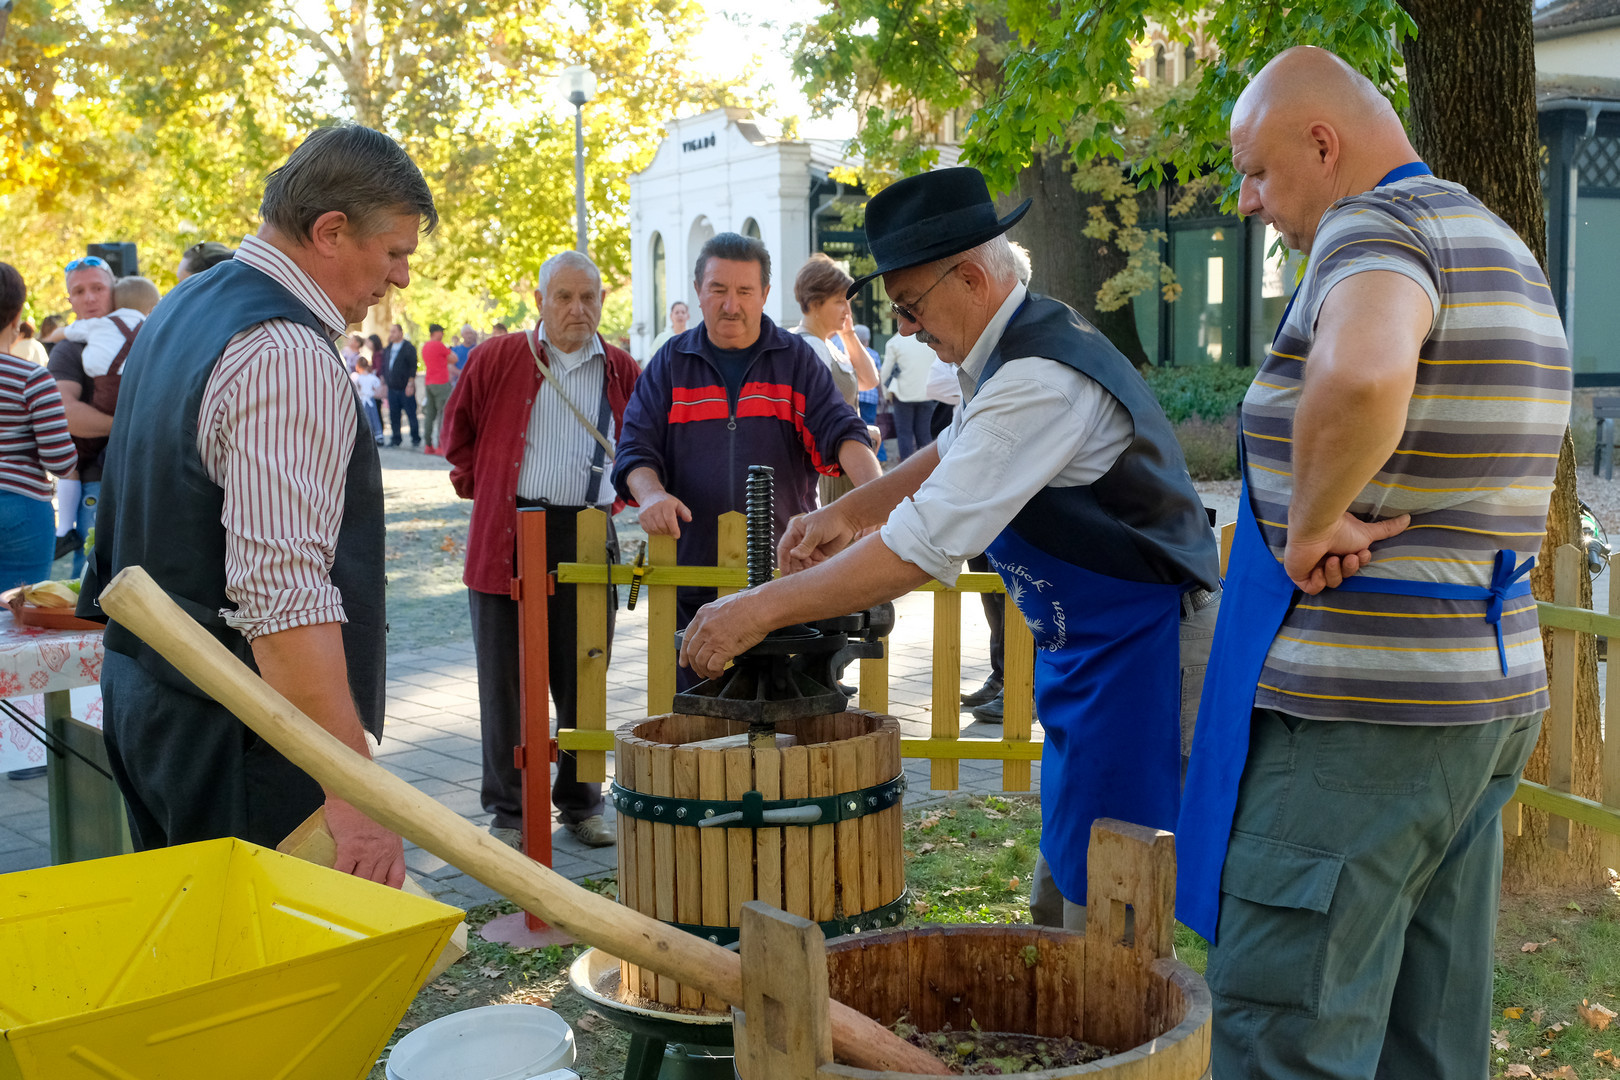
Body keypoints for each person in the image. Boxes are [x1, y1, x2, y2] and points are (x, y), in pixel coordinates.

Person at [1169, 48, 1573, 1080]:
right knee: (1424, 1041)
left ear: (1323, 144)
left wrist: (1309, 526)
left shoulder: (1377, 228)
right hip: (1478, 700)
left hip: (1362, 720)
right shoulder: (1496, 241)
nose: (1249, 202)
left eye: (1257, 172)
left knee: (1287, 1042)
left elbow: (1361, 372)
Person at [678, 168, 1219, 930]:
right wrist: (848, 513)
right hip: (1089, 656)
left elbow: (920, 546)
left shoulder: (1039, 379)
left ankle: (1118, 1003)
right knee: (1070, 872)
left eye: (910, 305)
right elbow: (953, 449)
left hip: (1146, 653)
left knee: (1115, 905)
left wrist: (758, 610)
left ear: (969, 278)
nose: (904, 328)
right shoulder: (1010, 353)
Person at [77, 123, 439, 887]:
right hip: (241, 731)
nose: (401, 277)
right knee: (274, 955)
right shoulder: (286, 352)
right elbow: (283, 601)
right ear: (331, 231)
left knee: (198, 939)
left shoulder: (186, 301)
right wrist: (355, 790)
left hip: (148, 697)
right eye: (394, 251)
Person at [442, 250, 640, 850]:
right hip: (507, 531)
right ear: (540, 302)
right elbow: (458, 439)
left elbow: (641, 449)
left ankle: (582, 803)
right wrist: (494, 492)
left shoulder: (622, 369)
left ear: (602, 302)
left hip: (586, 533)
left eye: (589, 297)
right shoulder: (497, 357)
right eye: (565, 297)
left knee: (585, 674)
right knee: (503, 679)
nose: (578, 309)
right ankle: (508, 811)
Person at [612, 232, 881, 657]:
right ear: (698, 290)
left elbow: (843, 431)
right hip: (689, 578)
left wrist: (875, 500)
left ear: (765, 295)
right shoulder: (670, 363)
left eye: (744, 291)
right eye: (718, 289)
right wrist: (651, 494)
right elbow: (634, 447)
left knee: (785, 697)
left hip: (784, 579)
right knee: (693, 696)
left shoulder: (795, 360)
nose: (731, 305)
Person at [0, 262, 76, 591]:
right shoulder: (32, 379)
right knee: (16, 612)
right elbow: (60, 462)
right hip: (21, 507)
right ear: (18, 315)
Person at [47, 255, 119, 573]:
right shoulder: (69, 349)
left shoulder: (144, 333)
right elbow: (65, 413)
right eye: (79, 291)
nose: (89, 298)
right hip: (97, 480)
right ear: (70, 301)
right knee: (93, 576)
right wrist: (130, 426)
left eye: (97, 288)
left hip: (152, 476)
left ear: (115, 289)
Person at [62, 276, 161, 425]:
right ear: (152, 308)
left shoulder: (98, 324)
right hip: (144, 391)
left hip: (107, 392)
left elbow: (66, 332)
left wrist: (50, 336)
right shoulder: (152, 327)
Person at [880, 321, 938, 461]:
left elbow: (885, 373)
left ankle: (906, 468)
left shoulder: (894, 342)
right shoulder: (929, 339)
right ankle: (927, 468)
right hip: (926, 393)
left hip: (902, 394)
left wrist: (886, 393)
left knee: (904, 434)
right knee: (924, 434)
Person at [382, 322, 419, 447]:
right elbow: (385, 365)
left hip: (405, 387)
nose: (391, 334)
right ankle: (396, 439)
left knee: (411, 413)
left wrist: (410, 384)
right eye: (391, 332)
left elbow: (413, 367)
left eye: (394, 331)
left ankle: (415, 438)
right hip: (392, 387)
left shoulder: (408, 347)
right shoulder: (388, 348)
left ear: (400, 333)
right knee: (394, 414)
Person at [419, 323, 453, 454]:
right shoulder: (439, 345)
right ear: (436, 332)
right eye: (441, 331)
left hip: (429, 382)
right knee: (443, 414)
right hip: (441, 383)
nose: (443, 334)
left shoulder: (425, 346)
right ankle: (440, 445)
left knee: (430, 414)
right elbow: (454, 359)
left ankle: (428, 445)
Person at [352, 357, 386, 444]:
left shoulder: (356, 378)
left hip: (362, 401)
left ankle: (367, 437)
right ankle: (378, 436)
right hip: (370, 400)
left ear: (358, 366)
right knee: (374, 418)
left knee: (364, 419)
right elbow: (378, 388)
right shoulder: (372, 378)